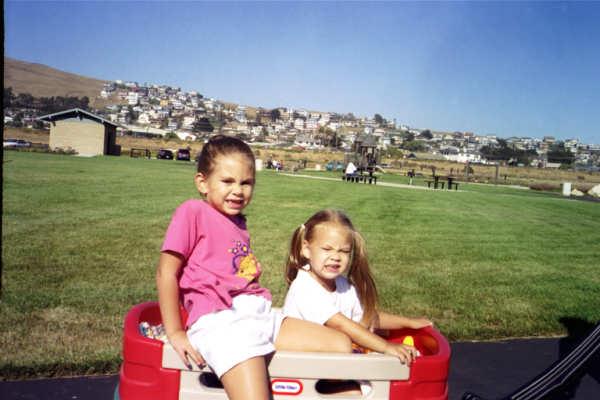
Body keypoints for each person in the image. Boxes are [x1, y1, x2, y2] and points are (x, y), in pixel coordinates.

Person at [156, 136, 350, 400]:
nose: (238, 190)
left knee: (340, 345)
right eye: (227, 181)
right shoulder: (193, 212)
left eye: (246, 183)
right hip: (221, 322)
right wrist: (176, 332)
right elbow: (166, 273)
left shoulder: (238, 224)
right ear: (203, 183)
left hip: (257, 314)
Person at [283, 209, 433, 366]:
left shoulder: (344, 286)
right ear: (306, 249)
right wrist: (386, 346)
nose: (335, 257)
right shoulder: (305, 287)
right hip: (303, 368)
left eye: (344, 251)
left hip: (333, 365)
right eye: (327, 249)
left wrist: (408, 323)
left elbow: (366, 318)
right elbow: (341, 324)